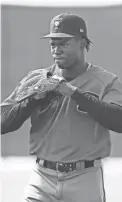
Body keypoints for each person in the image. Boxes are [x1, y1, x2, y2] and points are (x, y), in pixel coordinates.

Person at [1, 13, 122, 202]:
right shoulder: (37, 79)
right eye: (53, 44)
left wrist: (74, 93)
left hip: (85, 178)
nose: (56, 50)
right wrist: (32, 99)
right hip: (42, 177)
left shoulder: (105, 81)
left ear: (82, 43)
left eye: (63, 44)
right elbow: (3, 121)